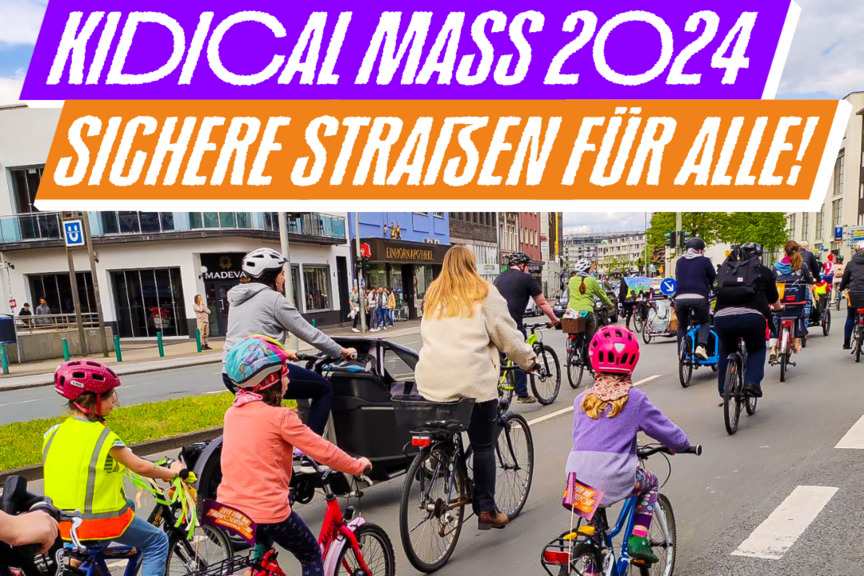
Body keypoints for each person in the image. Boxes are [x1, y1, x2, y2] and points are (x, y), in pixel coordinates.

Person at [220, 336, 371, 576]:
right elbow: (323, 450)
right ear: (271, 380)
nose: (289, 379)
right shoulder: (281, 418)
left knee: (261, 553)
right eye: (285, 373)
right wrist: (357, 466)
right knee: (310, 555)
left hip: (230, 508)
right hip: (267, 510)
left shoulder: (232, 413)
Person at [416, 246, 537, 529]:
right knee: (483, 445)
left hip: (431, 384)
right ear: (473, 266)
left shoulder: (433, 296)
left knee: (445, 430)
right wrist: (528, 361)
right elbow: (507, 336)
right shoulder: (484, 293)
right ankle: (487, 510)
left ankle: (441, 457)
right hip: (472, 383)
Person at [43, 361, 187, 576]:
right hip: (94, 524)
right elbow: (140, 467)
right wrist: (175, 472)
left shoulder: (54, 432)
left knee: (129, 504)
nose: (115, 401)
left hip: (62, 523)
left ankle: (92, 560)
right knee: (157, 542)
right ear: (92, 400)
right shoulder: (103, 438)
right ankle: (94, 550)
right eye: (109, 395)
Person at [566, 326, 690, 564]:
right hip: (613, 475)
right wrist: (683, 444)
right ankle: (638, 539)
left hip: (575, 479)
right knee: (650, 482)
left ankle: (593, 559)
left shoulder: (581, 399)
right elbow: (665, 430)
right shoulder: (634, 399)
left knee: (595, 534)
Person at [221, 248, 356, 436]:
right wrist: (341, 351)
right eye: (282, 274)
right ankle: (310, 449)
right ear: (270, 276)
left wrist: (283, 353)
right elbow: (309, 333)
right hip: (259, 373)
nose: (284, 279)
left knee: (268, 417)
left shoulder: (237, 298)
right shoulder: (273, 299)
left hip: (230, 374)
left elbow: (250, 334)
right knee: (323, 389)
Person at [714, 243, 782, 400]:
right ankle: (751, 383)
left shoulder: (726, 269)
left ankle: (724, 388)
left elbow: (715, 289)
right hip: (752, 317)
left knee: (725, 349)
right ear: (759, 256)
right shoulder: (763, 271)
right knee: (757, 348)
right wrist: (778, 309)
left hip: (722, 317)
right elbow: (773, 298)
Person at [494, 252, 559, 404]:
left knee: (499, 356)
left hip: (495, 323)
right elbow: (542, 302)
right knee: (520, 354)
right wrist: (554, 319)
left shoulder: (499, 278)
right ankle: (522, 394)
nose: (528, 269)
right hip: (513, 323)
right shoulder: (527, 278)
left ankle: (497, 382)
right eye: (527, 266)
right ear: (522, 265)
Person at [674, 238, 716, 360]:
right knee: (705, 322)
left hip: (680, 298)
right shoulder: (705, 261)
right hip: (699, 297)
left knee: (682, 325)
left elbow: (678, 279)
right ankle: (701, 346)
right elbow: (714, 280)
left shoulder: (680, 261)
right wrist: (717, 290)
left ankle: (681, 352)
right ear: (700, 250)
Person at [771, 241, 814, 357]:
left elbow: (770, 281)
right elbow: (810, 280)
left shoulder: (776, 266)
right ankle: (796, 342)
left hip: (781, 301)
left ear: (785, 252)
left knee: (775, 316)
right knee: (800, 314)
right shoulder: (802, 266)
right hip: (797, 301)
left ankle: (773, 349)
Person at [568, 258, 614, 348]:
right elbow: (602, 296)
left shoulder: (571, 280)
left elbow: (570, 295)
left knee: (573, 331)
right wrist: (610, 305)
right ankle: (589, 353)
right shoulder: (592, 281)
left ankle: (572, 348)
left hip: (572, 313)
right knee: (591, 340)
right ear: (588, 270)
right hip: (587, 312)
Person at [839, 241, 864, 350]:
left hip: (853, 293)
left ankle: (846, 342)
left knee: (850, 317)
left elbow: (845, 279)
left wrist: (841, 288)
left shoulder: (850, 263)